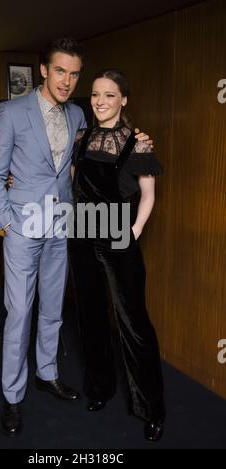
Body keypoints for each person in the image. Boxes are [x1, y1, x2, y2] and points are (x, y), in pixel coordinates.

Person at [0, 37, 152, 438]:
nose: (67, 80)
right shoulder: (11, 112)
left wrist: (140, 142)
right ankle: (12, 395)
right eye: (60, 70)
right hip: (23, 229)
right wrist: (7, 221)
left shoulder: (78, 115)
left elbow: (97, 152)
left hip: (64, 226)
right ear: (43, 70)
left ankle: (48, 373)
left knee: (54, 309)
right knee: (19, 313)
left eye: (74, 73)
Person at [69, 69, 165, 442]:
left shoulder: (137, 142)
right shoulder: (82, 138)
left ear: (123, 100)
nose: (100, 101)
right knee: (90, 317)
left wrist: (135, 231)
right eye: (95, 94)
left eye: (109, 95)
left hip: (118, 239)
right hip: (82, 235)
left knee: (133, 323)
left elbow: (149, 195)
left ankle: (151, 408)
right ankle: (99, 389)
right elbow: (75, 183)